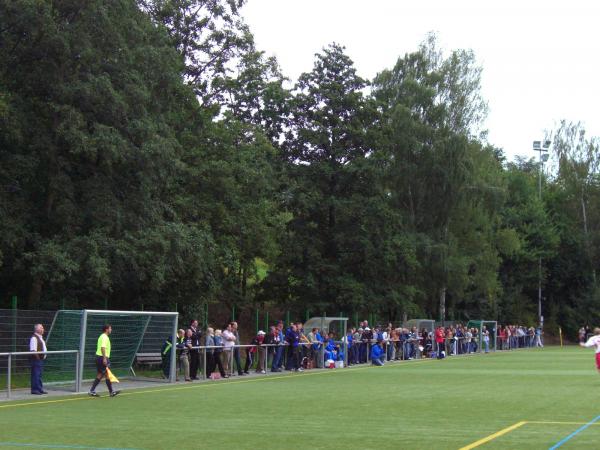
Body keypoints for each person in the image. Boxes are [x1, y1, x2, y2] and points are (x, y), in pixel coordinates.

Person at [89, 324, 120, 397]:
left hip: (99, 357)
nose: (111, 330)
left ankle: (92, 390)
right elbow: (103, 347)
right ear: (106, 329)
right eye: (110, 328)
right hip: (102, 358)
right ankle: (111, 392)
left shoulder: (102, 336)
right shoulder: (104, 337)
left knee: (100, 374)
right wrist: (104, 358)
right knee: (107, 375)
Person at [29, 323, 47, 395]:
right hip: (36, 360)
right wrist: (38, 359)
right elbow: (33, 350)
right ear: (36, 329)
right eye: (41, 328)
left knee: (39, 375)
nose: (43, 329)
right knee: (36, 374)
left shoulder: (40, 337)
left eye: (42, 328)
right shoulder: (34, 338)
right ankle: (35, 389)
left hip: (40, 359)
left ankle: (39, 389)